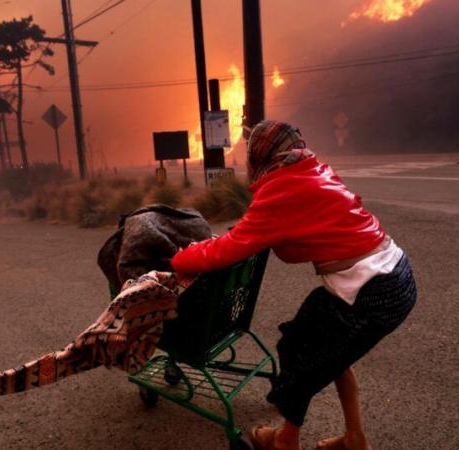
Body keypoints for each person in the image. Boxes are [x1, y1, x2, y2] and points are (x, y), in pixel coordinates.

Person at [171, 120, 417, 450]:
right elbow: (297, 243)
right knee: (331, 350)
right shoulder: (312, 170)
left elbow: (224, 250)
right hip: (395, 272)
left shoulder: (281, 188)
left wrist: (180, 258)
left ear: (261, 154)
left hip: (370, 290)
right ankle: (355, 439)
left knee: (299, 350)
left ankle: (286, 440)